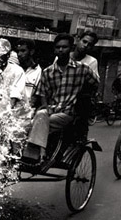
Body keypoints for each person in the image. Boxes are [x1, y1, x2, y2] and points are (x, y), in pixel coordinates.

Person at [22, 33, 99, 163]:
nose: (61, 50)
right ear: (54, 49)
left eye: (64, 47)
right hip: (51, 110)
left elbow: (95, 84)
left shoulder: (83, 69)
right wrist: (44, 106)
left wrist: (83, 98)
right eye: (58, 47)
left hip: (68, 112)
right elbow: (42, 94)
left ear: (71, 48)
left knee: (40, 117)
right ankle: (38, 152)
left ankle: (33, 154)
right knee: (25, 124)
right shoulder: (48, 72)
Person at [15, 39, 42, 108]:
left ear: (31, 52)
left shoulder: (39, 72)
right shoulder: (14, 69)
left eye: (23, 51)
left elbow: (36, 97)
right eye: (18, 51)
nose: (19, 54)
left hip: (27, 111)